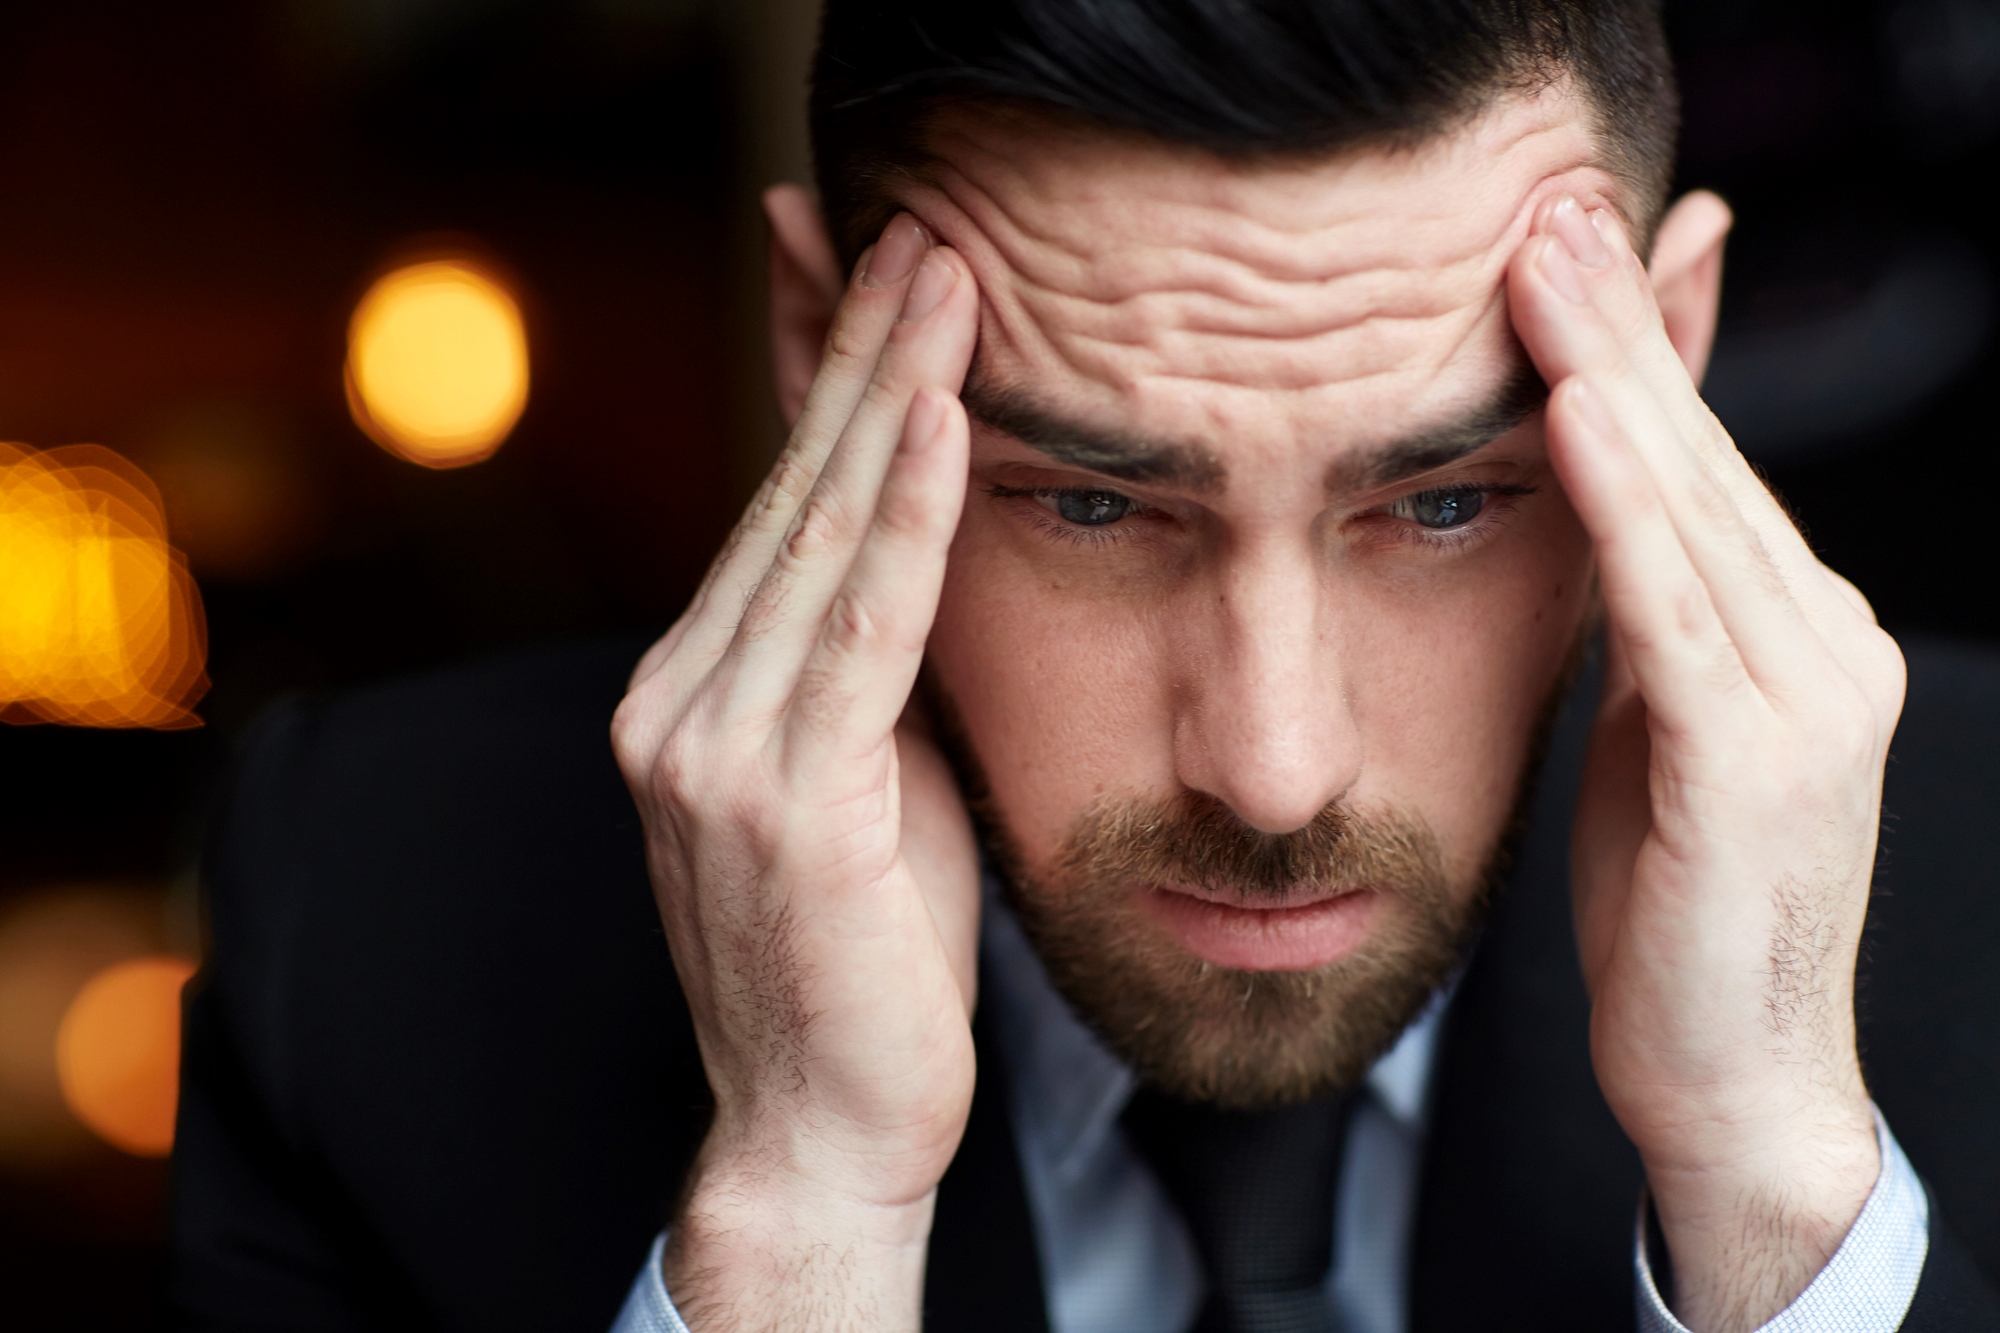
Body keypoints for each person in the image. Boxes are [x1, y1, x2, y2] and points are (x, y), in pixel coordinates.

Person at [167, 1, 2000, 1331]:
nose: (1275, 768)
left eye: (1445, 504)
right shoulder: (372, 918)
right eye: (1094, 508)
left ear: (1664, 364)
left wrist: (1779, 1195)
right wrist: (799, 1225)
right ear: (820, 349)